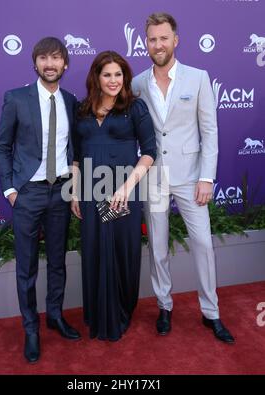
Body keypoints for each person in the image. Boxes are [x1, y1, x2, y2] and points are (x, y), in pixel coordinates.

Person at [132, 13, 235, 343]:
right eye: (152, 39)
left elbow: (209, 130)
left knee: (203, 244)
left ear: (175, 40)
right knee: (158, 247)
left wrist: (207, 177)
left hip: (192, 177)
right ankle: (164, 306)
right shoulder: (136, 84)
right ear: (145, 43)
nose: (158, 44)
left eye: (164, 38)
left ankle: (211, 312)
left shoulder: (198, 77)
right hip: (154, 178)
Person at [0, 37, 81, 363]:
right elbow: (2, 146)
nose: (50, 64)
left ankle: (55, 316)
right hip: (28, 193)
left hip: (60, 191)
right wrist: (10, 190)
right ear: (35, 64)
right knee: (27, 266)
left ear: (65, 64)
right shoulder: (16, 99)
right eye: (43, 58)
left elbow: (74, 147)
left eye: (56, 58)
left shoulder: (72, 101)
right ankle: (31, 328)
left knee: (58, 260)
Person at [71, 51, 156, 341]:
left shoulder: (134, 108)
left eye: (118, 74)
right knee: (95, 249)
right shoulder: (81, 110)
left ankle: (120, 311)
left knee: (121, 250)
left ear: (125, 77)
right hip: (90, 192)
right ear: (96, 76)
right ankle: (97, 314)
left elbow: (149, 153)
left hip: (122, 192)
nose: (113, 80)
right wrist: (74, 192)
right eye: (107, 74)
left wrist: (126, 187)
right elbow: (76, 155)